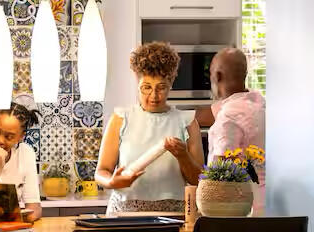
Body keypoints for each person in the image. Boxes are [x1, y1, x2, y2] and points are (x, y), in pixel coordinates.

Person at [96, 42, 205, 214]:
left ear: (171, 84)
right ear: (137, 83)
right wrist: (111, 182)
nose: (154, 96)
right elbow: (102, 171)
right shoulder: (121, 118)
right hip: (124, 213)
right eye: (146, 87)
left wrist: (183, 156)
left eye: (161, 87)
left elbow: (199, 181)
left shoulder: (187, 122)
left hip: (173, 216)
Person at [206, 47, 266, 214]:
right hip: (267, 207)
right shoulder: (260, 105)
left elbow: (220, 177)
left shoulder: (229, 117)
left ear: (217, 76)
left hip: (241, 212)